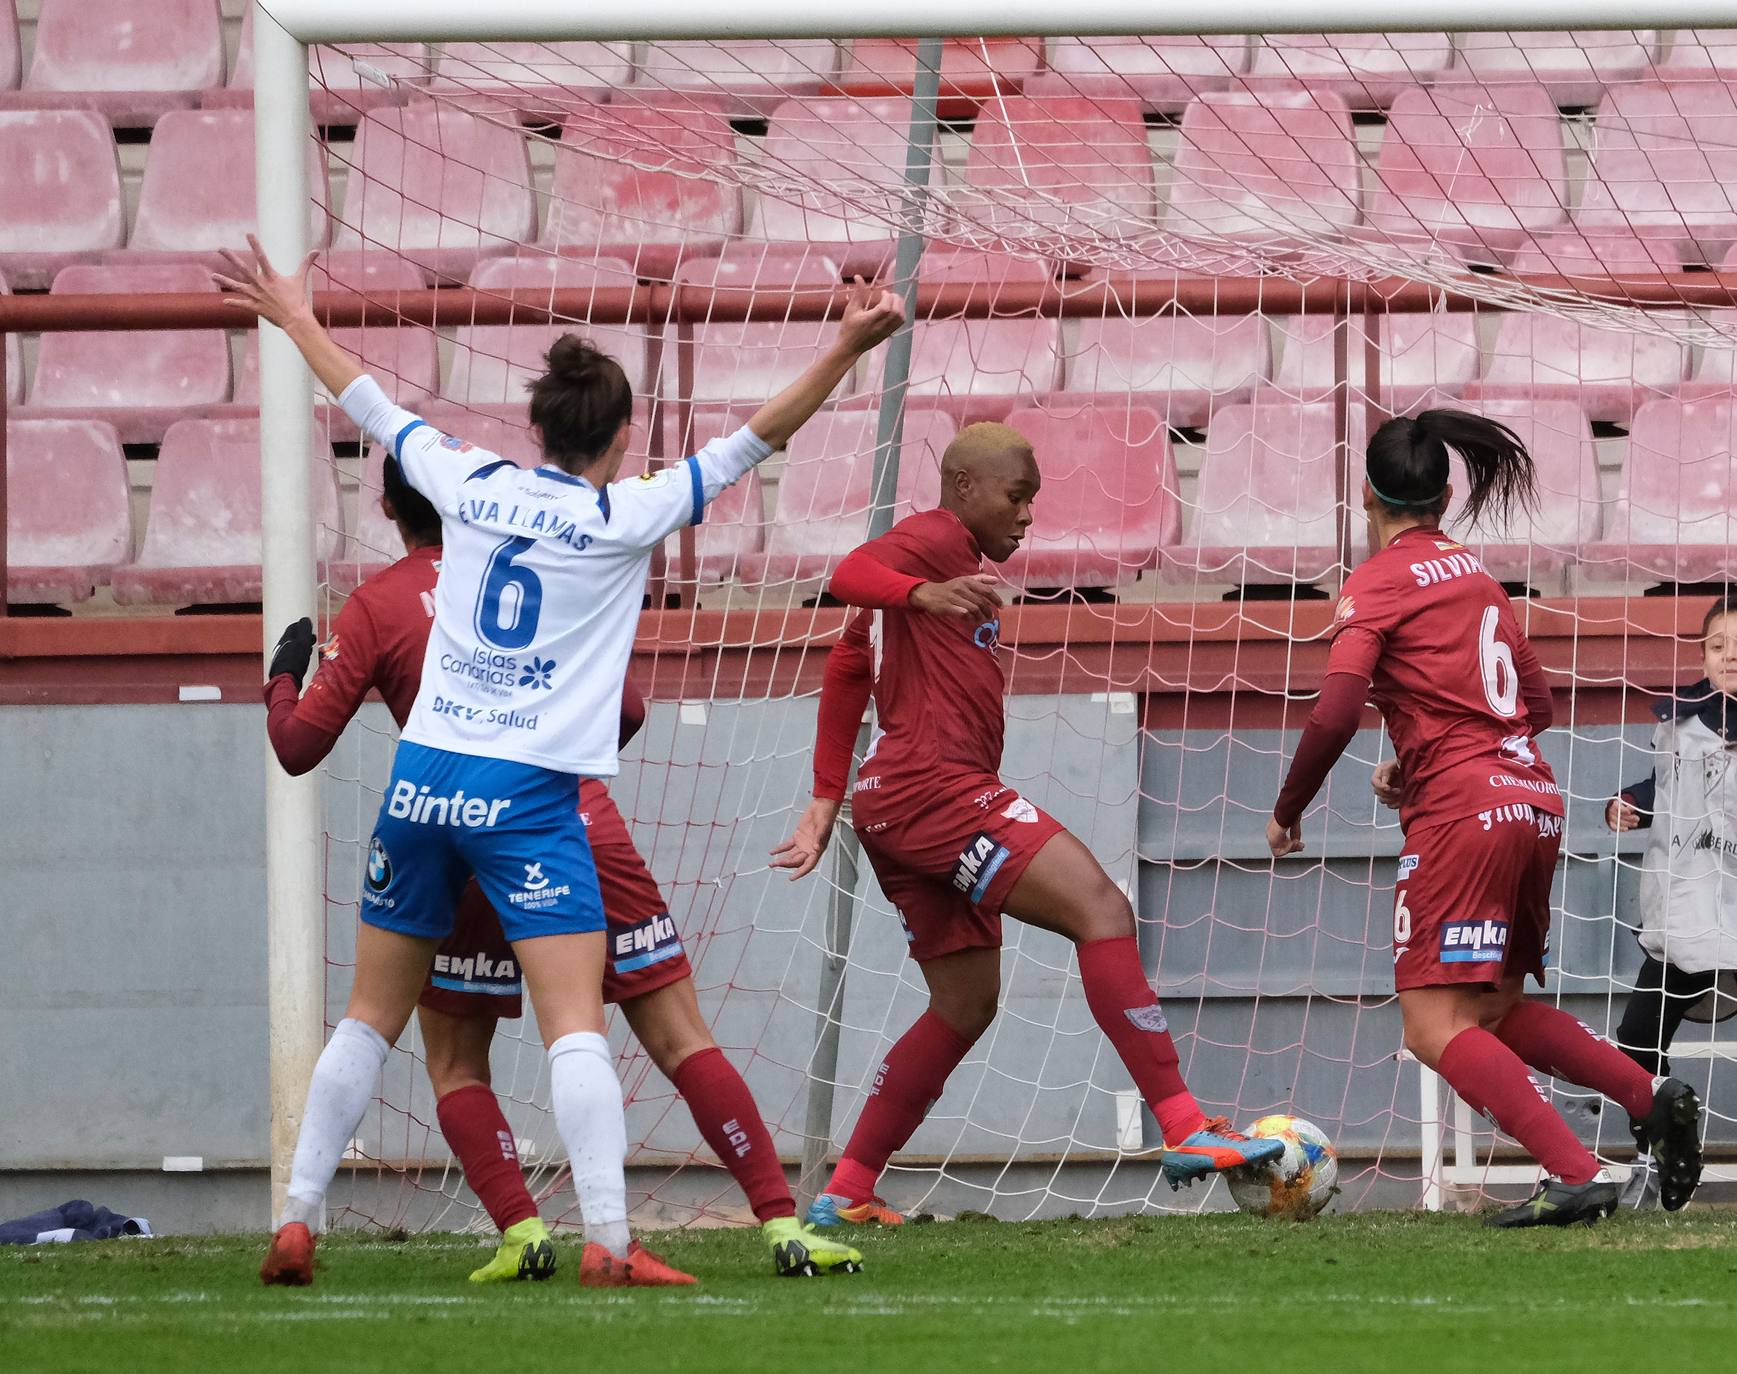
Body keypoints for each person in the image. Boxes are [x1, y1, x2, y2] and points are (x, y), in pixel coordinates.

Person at [217, 235, 903, 1285]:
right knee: (576, 1020)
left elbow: (371, 406)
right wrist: (849, 346)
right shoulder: (630, 512)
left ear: (535, 429)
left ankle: (299, 1220)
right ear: (627, 436)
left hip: (421, 778)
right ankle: (611, 1244)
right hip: (530, 796)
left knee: (370, 1016)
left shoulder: (468, 483)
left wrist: (297, 316)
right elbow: (758, 436)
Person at [261, 457, 862, 1279]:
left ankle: (514, 1232)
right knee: (669, 1034)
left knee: (448, 1055)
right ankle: (773, 1225)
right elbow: (627, 710)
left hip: (438, 821)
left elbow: (297, 745)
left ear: (391, 510)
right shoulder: (545, 561)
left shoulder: (379, 602)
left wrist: (282, 678)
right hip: (559, 817)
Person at [771, 422, 1284, 1227]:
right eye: (1016, 497)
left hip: (893, 804)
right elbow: (847, 573)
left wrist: (825, 799)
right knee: (1103, 910)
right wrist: (922, 592)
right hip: (933, 792)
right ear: (965, 488)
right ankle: (1185, 1127)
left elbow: (847, 662)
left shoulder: (951, 564)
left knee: (964, 1003)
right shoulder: (933, 542)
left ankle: (846, 1190)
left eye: (1033, 501)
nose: (1026, 517)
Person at [1268, 407, 1704, 1227]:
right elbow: (1533, 702)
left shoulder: (1376, 582)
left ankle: (1574, 1171)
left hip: (1463, 814)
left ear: (1367, 495)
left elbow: (1332, 711)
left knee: (1434, 1024)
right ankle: (1645, 1095)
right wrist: (1428, 748)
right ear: (1444, 496)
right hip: (1532, 801)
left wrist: (1288, 809)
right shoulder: (1476, 578)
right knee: (1494, 1011)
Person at [1603, 591, 1737, 1208]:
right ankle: (1658, 1156)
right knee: (1636, 1041)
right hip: (1688, 912)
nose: (1729, 656)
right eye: (1717, 646)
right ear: (1704, 656)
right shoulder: (1677, 723)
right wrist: (1627, 805)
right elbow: (1664, 790)